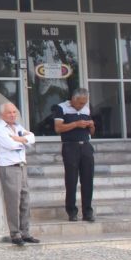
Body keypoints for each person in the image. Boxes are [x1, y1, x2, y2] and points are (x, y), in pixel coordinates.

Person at [0, 102, 39, 246]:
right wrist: (24, 141)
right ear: (2, 114)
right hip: (9, 167)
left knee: (25, 200)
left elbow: (32, 138)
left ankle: (25, 232)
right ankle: (15, 233)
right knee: (13, 201)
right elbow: (10, 145)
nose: (13, 115)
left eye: (14, 112)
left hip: (21, 165)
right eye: (9, 112)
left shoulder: (18, 127)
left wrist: (20, 139)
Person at [53, 87, 96, 222]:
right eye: (80, 103)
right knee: (71, 179)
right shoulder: (61, 108)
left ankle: (87, 211)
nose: (82, 105)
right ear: (73, 99)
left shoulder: (86, 109)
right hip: (70, 146)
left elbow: (92, 132)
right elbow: (58, 128)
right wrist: (76, 124)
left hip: (86, 145)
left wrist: (91, 125)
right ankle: (72, 211)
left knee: (88, 179)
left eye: (84, 103)